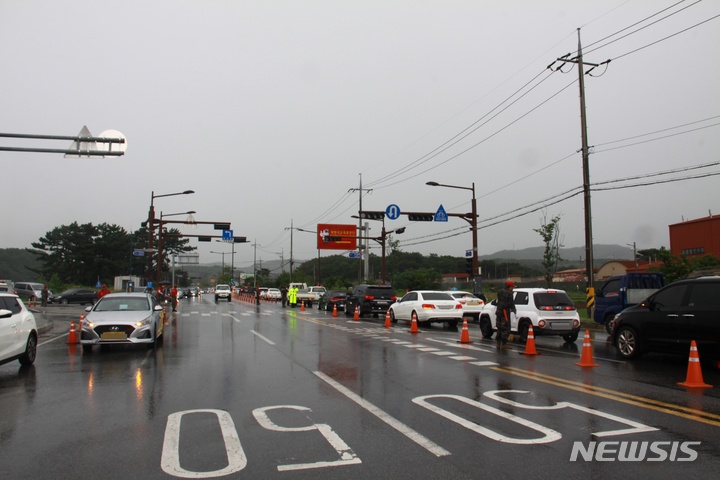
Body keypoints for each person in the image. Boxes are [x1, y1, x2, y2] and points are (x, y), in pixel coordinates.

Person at [495, 281, 516, 349]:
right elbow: (511, 303)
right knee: (506, 327)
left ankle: (498, 343)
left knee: (499, 327)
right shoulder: (509, 294)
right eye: (512, 287)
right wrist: (513, 309)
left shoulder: (500, 292)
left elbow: (498, 300)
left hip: (498, 311)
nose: (512, 288)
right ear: (509, 287)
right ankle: (504, 344)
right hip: (505, 312)